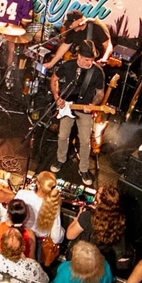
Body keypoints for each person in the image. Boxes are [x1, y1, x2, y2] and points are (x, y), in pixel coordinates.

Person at [46, 38, 107, 185]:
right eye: (86, 59)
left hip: (84, 108)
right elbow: (54, 79)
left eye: (92, 60)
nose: (89, 63)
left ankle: (84, 169)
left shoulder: (97, 72)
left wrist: (92, 105)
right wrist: (56, 97)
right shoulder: (68, 66)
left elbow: (100, 93)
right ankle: (61, 159)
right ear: (79, 56)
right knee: (62, 135)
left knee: (85, 141)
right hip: (67, 105)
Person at [45, 9, 113, 66]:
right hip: (81, 62)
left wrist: (104, 58)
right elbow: (65, 46)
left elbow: (108, 45)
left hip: (96, 64)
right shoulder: (73, 30)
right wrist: (51, 63)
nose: (70, 26)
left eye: (71, 24)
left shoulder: (96, 26)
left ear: (80, 21)